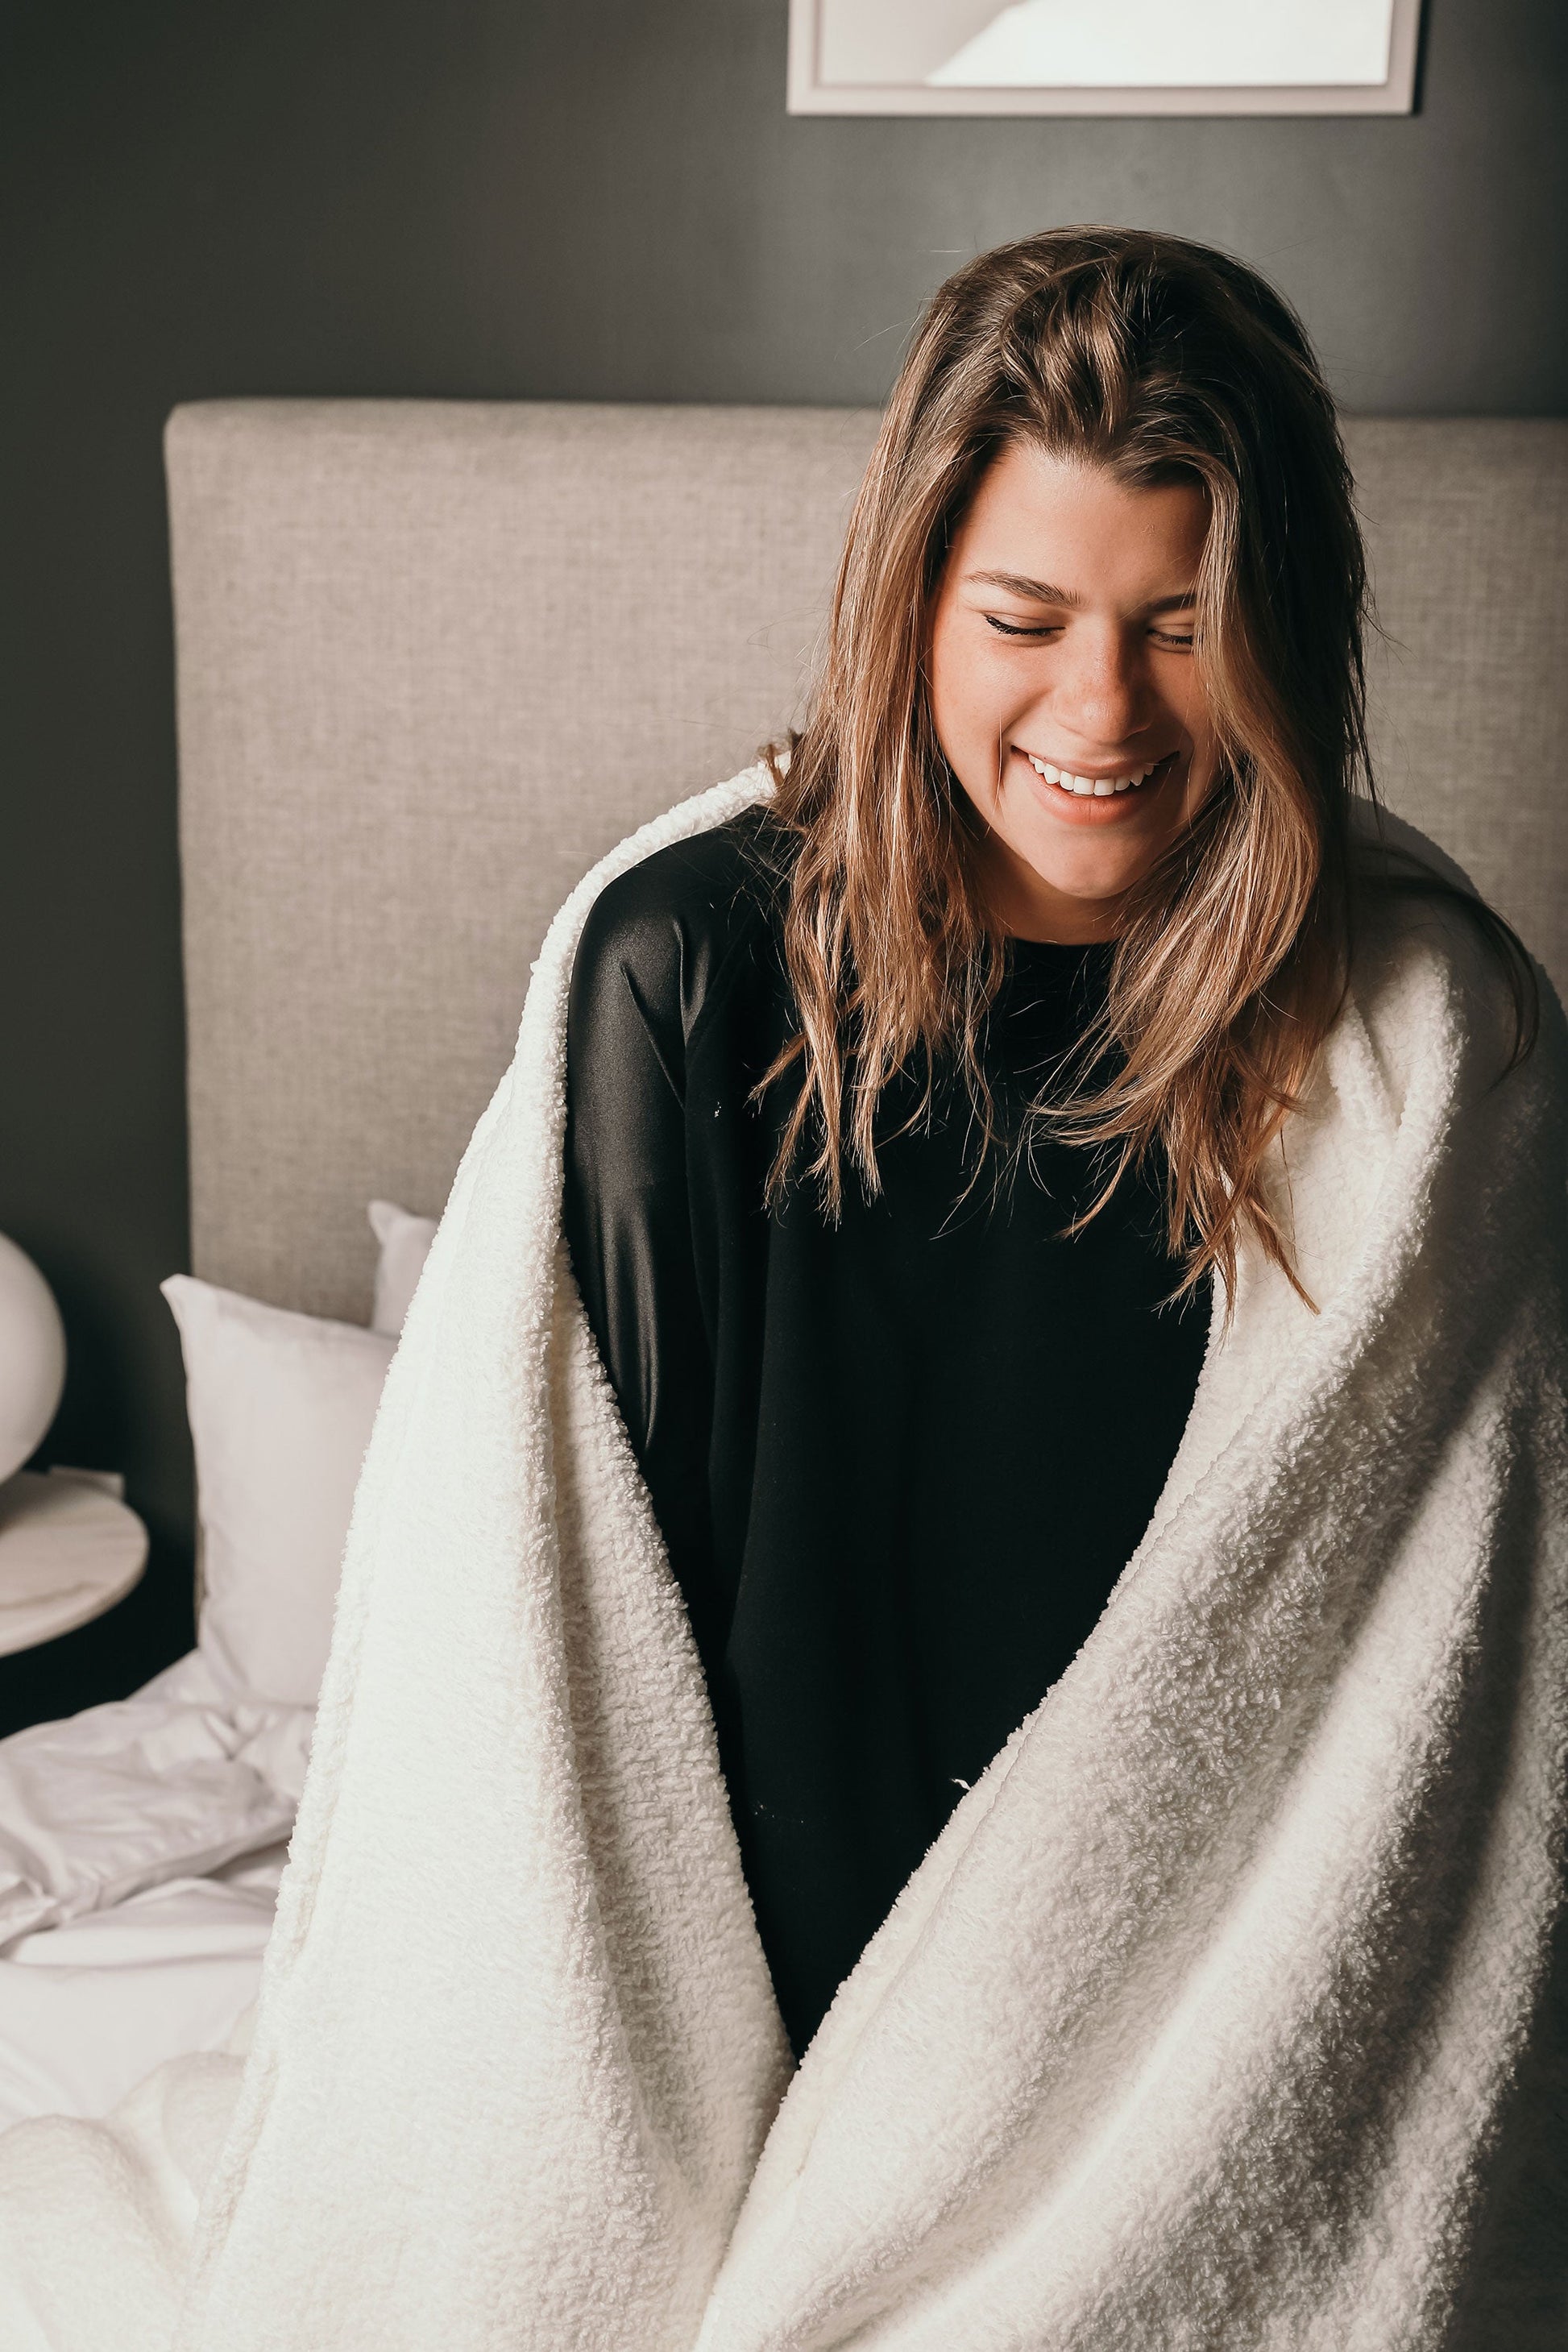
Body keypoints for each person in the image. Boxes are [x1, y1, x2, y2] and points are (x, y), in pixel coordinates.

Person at [561, 226, 1537, 2060]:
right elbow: (608, 1652)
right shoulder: (687, 976)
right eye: (1022, 623)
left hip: (1216, 2010)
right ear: (911, 607)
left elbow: (1452, 1668)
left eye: (1182, 629)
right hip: (772, 1998)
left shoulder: (1415, 1032)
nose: (1102, 712)